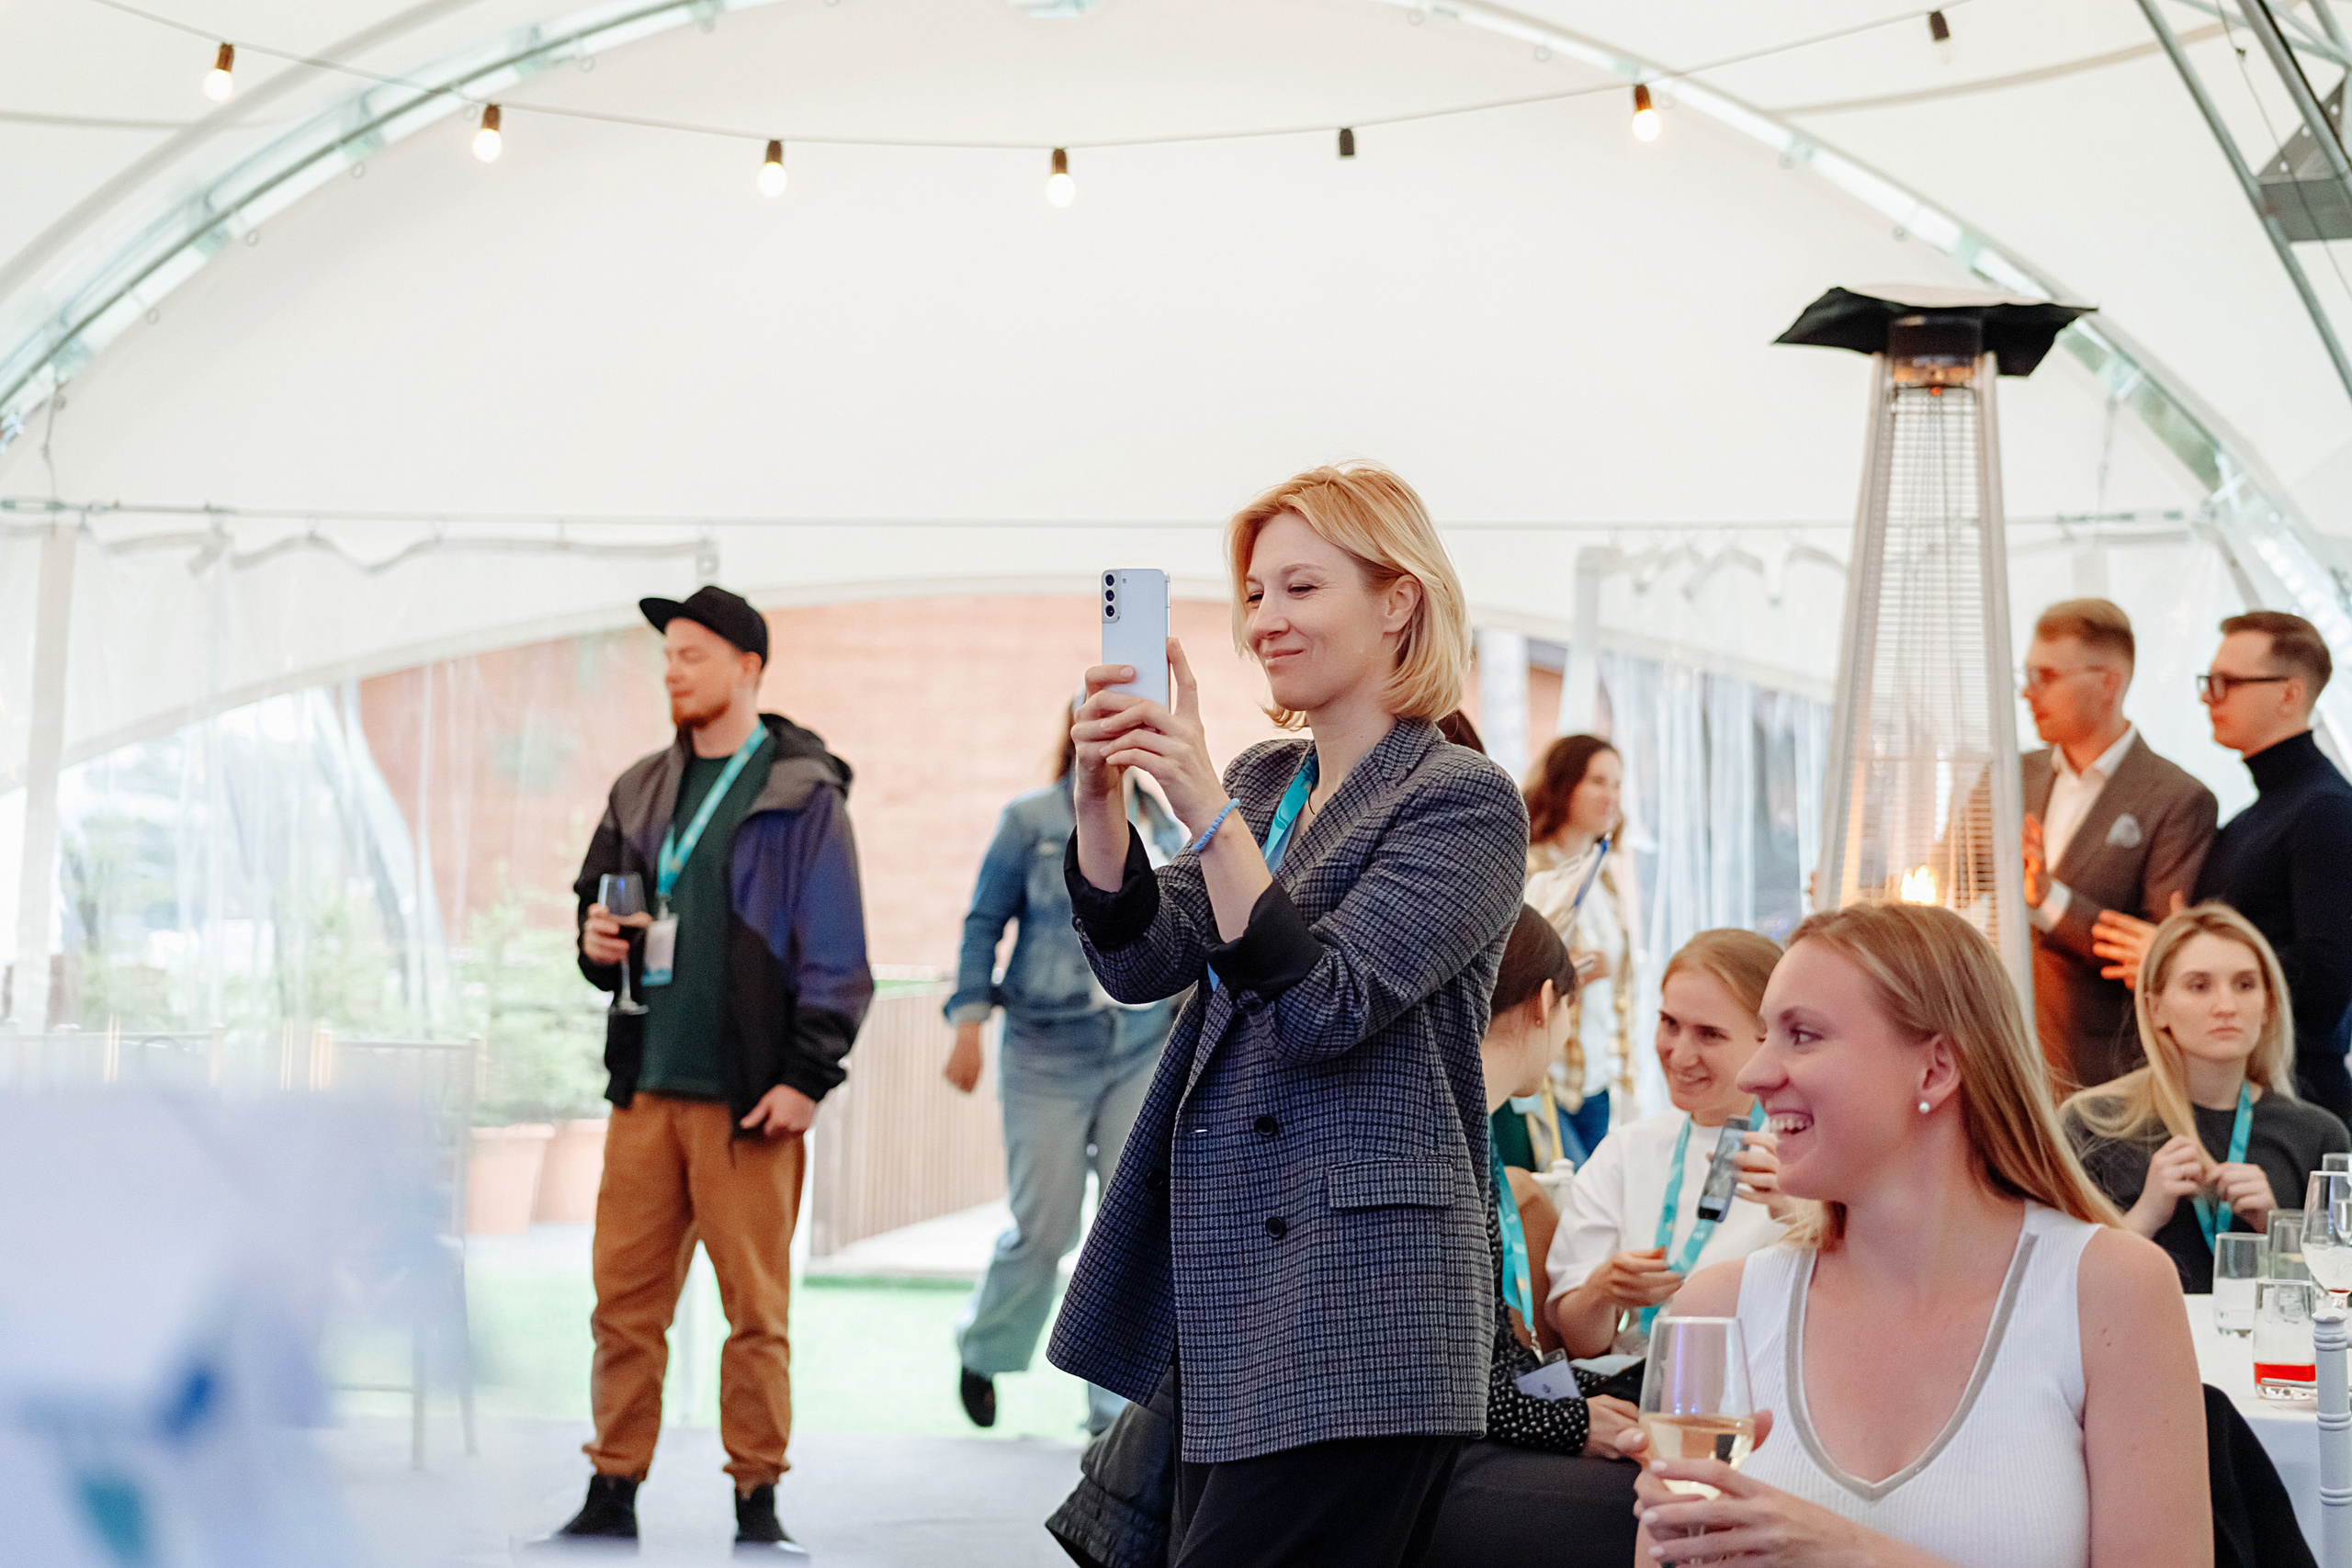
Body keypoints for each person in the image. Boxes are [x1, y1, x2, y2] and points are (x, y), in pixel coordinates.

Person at [1050, 462, 1527, 1567]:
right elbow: (1143, 957)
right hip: (1236, 1298)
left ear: (1398, 600)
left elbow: (1325, 1004)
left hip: (1368, 1310)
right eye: (1256, 592)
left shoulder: (1461, 799)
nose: (1265, 618)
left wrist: (1200, 807)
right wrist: (1098, 802)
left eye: (1301, 588)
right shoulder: (1269, 782)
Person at [1626, 902, 2206, 1568]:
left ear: (1935, 1069)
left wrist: (1849, 1552)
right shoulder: (1717, 1310)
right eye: (1763, 1037)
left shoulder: (2111, 1290)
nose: (1753, 1074)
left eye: (1802, 1035)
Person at [548, 585, 875, 1553]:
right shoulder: (640, 788)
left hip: (751, 1105)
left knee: (755, 1317)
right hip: (645, 1090)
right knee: (623, 1308)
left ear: (748, 666)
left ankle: (757, 1506)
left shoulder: (801, 796)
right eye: (667, 657)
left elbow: (838, 952)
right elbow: (593, 925)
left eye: (692, 654)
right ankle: (611, 1492)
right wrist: (593, 942)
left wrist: (806, 1077)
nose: (673, 671)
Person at [943, 702, 1188, 1437]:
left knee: (1128, 1226)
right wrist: (967, 1022)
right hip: (1044, 1048)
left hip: (1139, 1045)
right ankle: (986, 1346)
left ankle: (1112, 1415)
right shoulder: (1030, 822)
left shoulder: (1167, 827)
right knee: (1043, 1226)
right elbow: (983, 923)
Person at [1419, 905, 1643, 1568]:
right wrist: (1572, 1420)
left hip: (1438, 1441)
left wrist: (1589, 1399)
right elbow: (1441, 1380)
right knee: (1664, 1502)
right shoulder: (1442, 1149)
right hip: (1418, 1468)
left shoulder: (1452, 1129)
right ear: (1546, 1003)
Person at [2096, 610, 2352, 1122]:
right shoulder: (2259, 815)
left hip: (2299, 1108)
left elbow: (2329, 977)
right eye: (2208, 682)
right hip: (2250, 1092)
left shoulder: (2325, 811)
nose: (2208, 698)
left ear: (2290, 694)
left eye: (2226, 683)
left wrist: (2188, 961)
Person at [2064, 903, 2350, 1291]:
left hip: (2266, 1334)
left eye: (2245, 985)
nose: (2226, 1007)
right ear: (2155, 1008)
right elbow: (2056, 1283)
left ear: (2268, 1005)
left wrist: (2277, 1228)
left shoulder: (2319, 1135)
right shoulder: (2092, 1123)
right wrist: (2144, 1216)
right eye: (2199, 986)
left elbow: (2340, 1297)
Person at [1545, 929, 1788, 1359]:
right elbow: (1583, 1344)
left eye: (1709, 1034)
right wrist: (1601, 1290)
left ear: (1768, 1040)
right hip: (1639, 1386)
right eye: (1670, 1024)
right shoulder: (1627, 1151)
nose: (1679, 1055)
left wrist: (1800, 1214)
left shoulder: (1804, 1159)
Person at [2016, 599, 2216, 1094]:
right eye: (2027, 675)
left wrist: (2047, 898)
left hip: (2101, 1072)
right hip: (2001, 1054)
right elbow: (1945, 877)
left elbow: (2153, 952)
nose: (2028, 692)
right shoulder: (2011, 775)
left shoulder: (2176, 798)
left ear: (2109, 682)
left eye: (2046, 676)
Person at [1519, 735, 1636, 1166]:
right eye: (1598, 782)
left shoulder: (1603, 877)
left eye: (1617, 784)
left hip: (1598, 1077)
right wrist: (1571, 972)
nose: (1612, 796)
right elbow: (1509, 972)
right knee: (1565, 1193)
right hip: (1549, 1074)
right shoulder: (1530, 869)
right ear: (1563, 785)